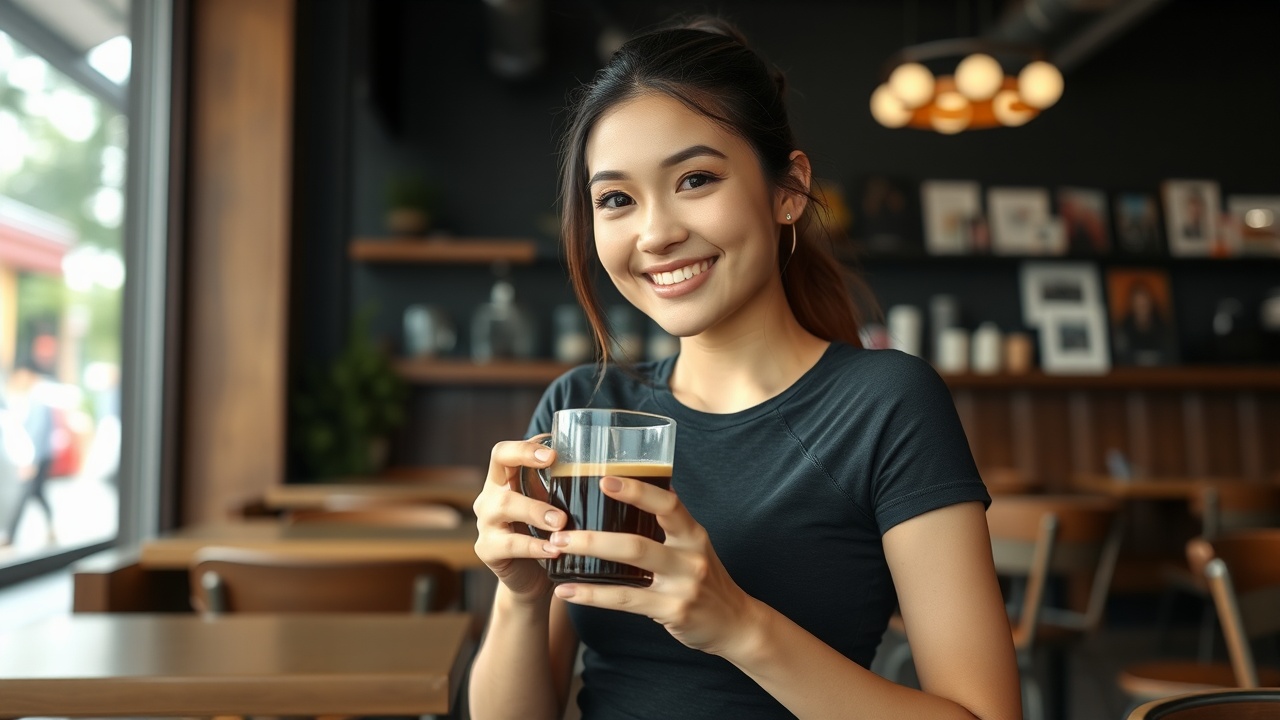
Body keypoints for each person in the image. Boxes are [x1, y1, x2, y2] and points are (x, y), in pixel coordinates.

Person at [468, 18, 1020, 720]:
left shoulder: (887, 404)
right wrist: (519, 595)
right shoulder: (583, 407)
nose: (656, 232)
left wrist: (737, 625)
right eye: (615, 199)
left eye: (695, 179)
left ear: (788, 188)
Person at [1, 361, 57, 547]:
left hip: (38, 457)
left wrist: (30, 461)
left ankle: (9, 535)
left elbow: (38, 433)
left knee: (24, 495)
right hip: (36, 456)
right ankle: (50, 526)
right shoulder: (25, 398)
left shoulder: (38, 400)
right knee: (37, 493)